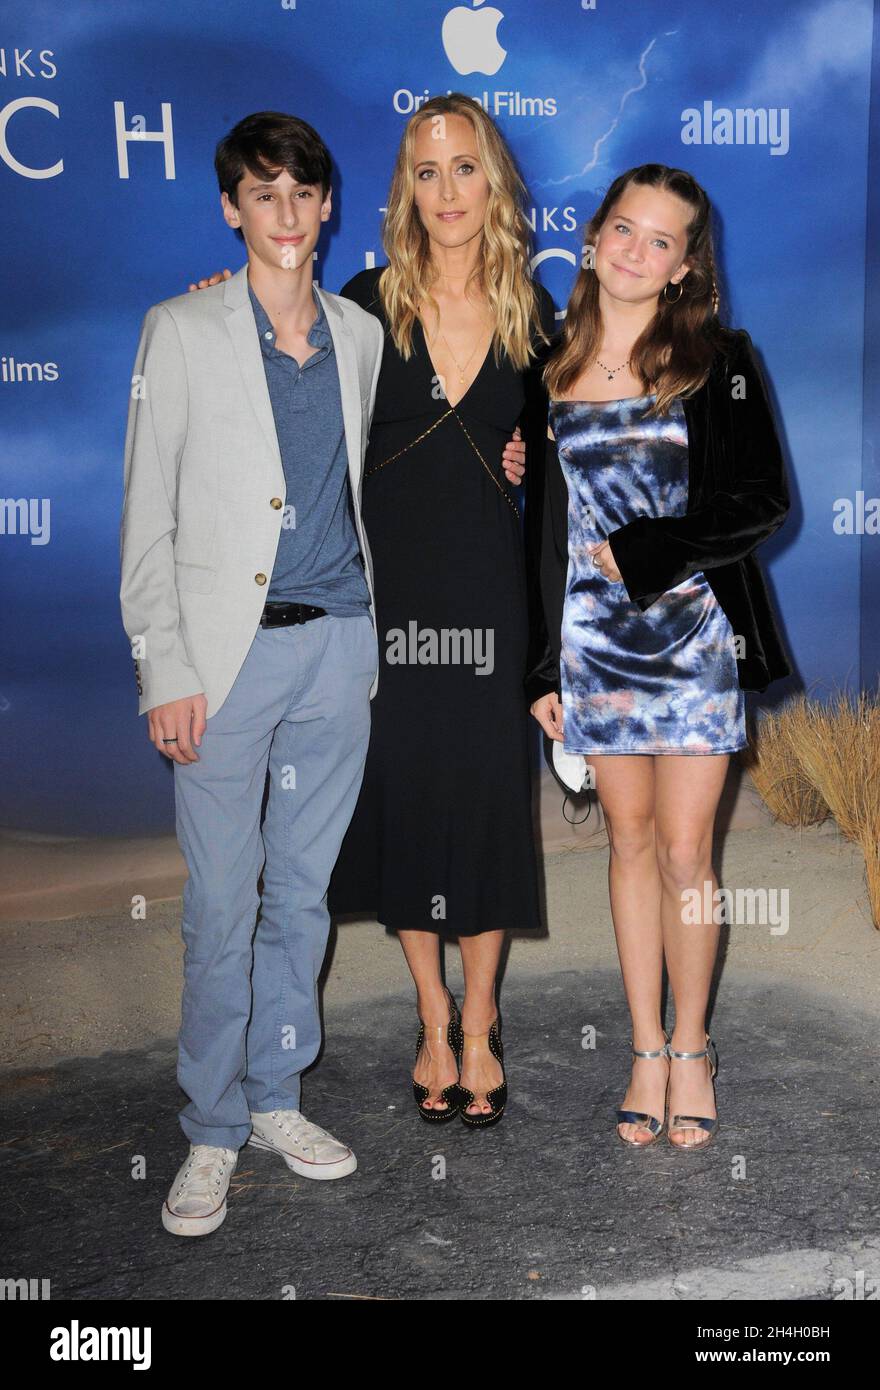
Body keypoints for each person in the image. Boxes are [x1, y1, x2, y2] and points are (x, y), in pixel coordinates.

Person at [119, 111, 384, 1235]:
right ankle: (212, 1127)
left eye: (303, 192)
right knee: (222, 905)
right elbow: (148, 515)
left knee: (304, 898)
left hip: (339, 646)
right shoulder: (178, 330)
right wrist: (162, 669)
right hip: (222, 666)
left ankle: (277, 1096)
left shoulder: (362, 336)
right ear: (232, 209)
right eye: (261, 193)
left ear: (328, 206)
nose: (285, 213)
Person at [528, 163, 790, 1149]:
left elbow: (759, 503)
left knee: (688, 853)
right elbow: (534, 533)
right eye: (623, 229)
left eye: (661, 240)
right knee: (628, 847)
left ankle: (691, 1047)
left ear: (686, 265)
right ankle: (642, 1047)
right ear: (593, 236)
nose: (637, 251)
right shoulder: (546, 366)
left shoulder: (718, 359)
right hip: (593, 645)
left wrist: (646, 550)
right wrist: (537, 669)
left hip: (692, 639)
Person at [326, 94, 555, 1127]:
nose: (447, 190)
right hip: (395, 596)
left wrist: (522, 460)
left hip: (489, 591)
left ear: (491, 180)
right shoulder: (365, 300)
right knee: (410, 802)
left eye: (465, 168)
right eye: (427, 171)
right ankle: (431, 1016)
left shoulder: (533, 311)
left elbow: (552, 467)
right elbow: (286, 370)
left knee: (490, 803)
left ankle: (482, 1020)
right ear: (405, 188)